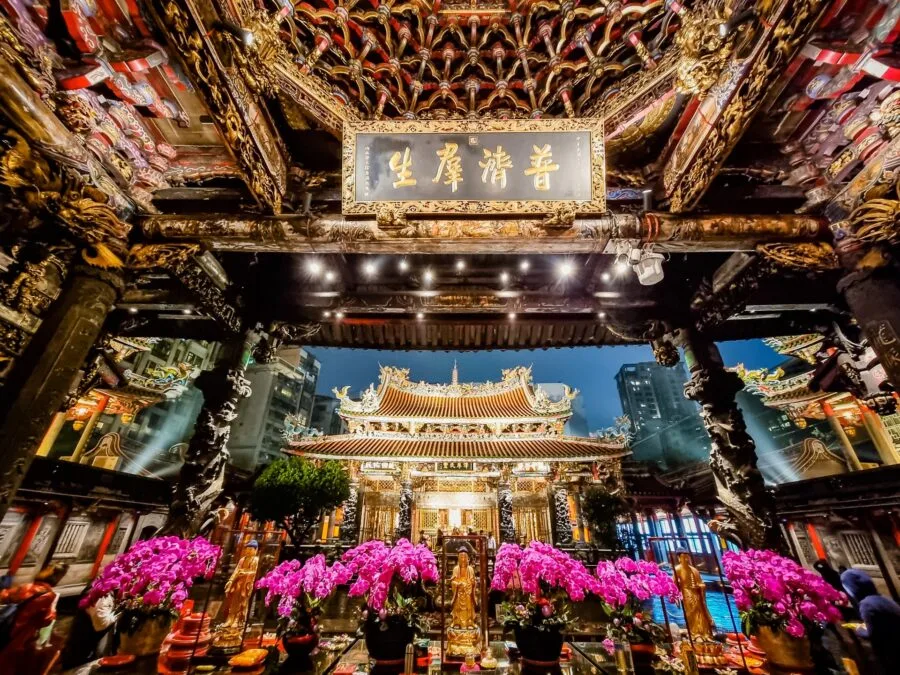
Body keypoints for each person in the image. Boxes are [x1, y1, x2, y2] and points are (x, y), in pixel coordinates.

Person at [0, 562, 69, 673]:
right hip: (21, 634)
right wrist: (53, 612)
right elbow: (46, 620)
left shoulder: (28, 587)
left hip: (7, 626)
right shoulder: (49, 595)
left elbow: (5, 596)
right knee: (7, 663)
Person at [841, 568, 900, 675]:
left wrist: (859, 629)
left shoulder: (866, 604)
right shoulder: (883, 598)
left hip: (891, 653)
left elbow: (873, 633)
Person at [60, 583, 117, 668]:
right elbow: (101, 623)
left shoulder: (103, 589)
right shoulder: (102, 594)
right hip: (82, 656)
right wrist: (118, 615)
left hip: (84, 651)